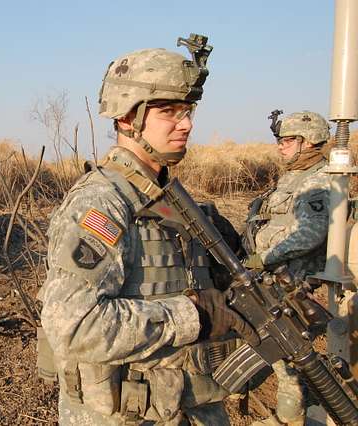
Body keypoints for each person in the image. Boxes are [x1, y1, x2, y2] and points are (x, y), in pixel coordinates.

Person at [37, 34, 259, 425]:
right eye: (169, 111)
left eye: (188, 110)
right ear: (127, 117)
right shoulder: (102, 203)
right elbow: (75, 326)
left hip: (190, 405)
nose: (186, 123)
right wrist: (193, 317)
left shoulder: (170, 196)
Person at [243, 110, 331, 426]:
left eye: (288, 140)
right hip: (274, 273)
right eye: (279, 140)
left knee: (284, 347)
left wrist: (264, 259)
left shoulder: (318, 181)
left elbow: (311, 233)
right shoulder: (296, 176)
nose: (280, 146)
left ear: (309, 143)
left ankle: (289, 418)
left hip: (290, 277)